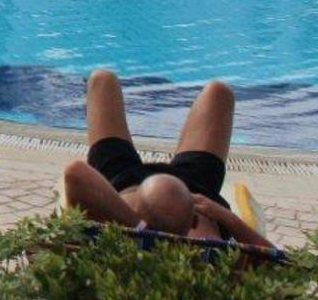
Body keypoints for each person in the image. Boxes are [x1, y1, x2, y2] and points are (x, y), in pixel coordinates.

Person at [61, 70, 271, 246]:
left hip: (123, 181)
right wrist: (226, 217)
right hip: (195, 187)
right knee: (219, 92)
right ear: (193, 221)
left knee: (101, 79)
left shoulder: (124, 235)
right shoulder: (206, 249)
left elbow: (75, 173)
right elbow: (283, 263)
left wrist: (139, 229)